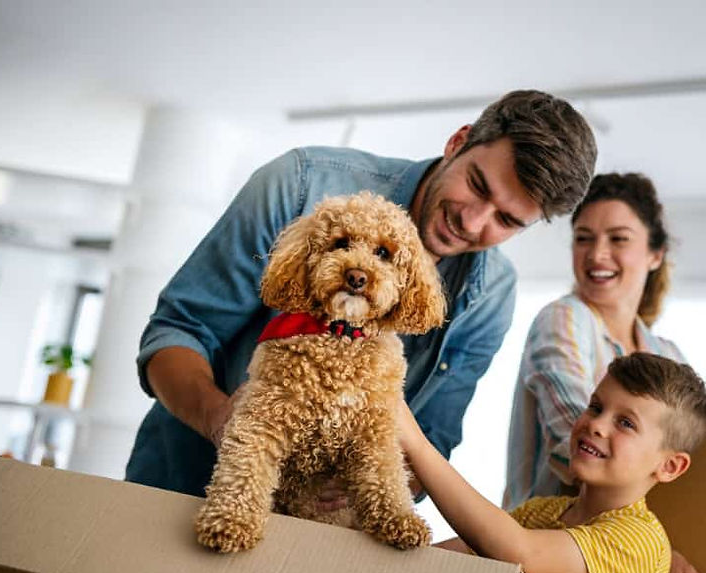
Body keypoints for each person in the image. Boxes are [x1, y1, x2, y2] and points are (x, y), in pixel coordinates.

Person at [124, 90, 597, 501]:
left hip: (317, 546)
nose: (473, 223)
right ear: (458, 142)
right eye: (476, 185)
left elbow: (433, 437)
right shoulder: (299, 185)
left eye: (507, 221)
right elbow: (179, 331)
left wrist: (368, 486)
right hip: (181, 489)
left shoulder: (493, 294)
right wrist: (225, 423)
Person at [504, 172, 706, 573]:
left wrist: (648, 551)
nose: (597, 254)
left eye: (618, 239)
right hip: (542, 550)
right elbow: (573, 437)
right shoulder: (564, 319)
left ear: (655, 254)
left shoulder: (666, 355)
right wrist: (653, 551)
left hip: (608, 567)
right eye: (583, 239)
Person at [398, 352, 706, 573]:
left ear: (670, 466)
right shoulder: (540, 514)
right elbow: (445, 558)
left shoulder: (639, 540)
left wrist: (416, 444)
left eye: (625, 423)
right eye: (596, 407)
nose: (597, 425)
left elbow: (522, 552)